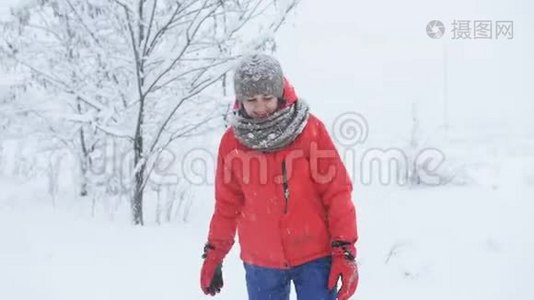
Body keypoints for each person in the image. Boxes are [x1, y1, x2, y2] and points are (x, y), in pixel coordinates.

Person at [200, 53, 359, 300]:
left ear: (280, 94)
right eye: (251, 100)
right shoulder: (232, 143)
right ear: (240, 100)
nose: (260, 107)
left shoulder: (309, 131)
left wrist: (344, 250)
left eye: (267, 98)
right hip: (261, 261)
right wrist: (214, 253)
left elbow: (337, 192)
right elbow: (227, 205)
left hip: (314, 256)